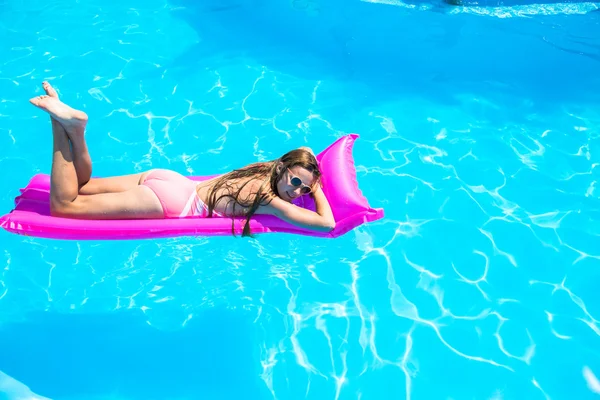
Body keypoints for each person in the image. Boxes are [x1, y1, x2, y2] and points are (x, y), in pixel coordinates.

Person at [29, 81, 335, 237]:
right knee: (64, 206)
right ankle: (60, 125)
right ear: (282, 169)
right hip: (173, 202)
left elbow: (303, 150)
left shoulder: (266, 169)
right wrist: (318, 189)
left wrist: (308, 178)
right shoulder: (269, 198)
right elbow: (326, 225)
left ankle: (75, 128)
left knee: (80, 185)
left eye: (304, 190)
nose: (297, 192)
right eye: (296, 182)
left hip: (171, 179)